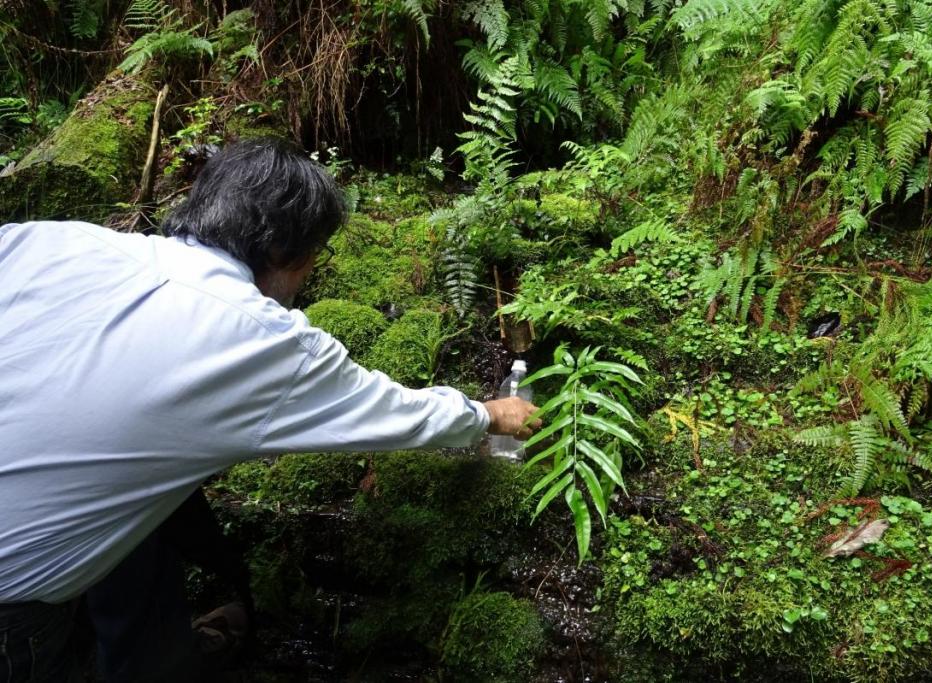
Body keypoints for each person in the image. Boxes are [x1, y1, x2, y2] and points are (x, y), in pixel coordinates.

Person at [0, 137, 540, 681]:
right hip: (13, 610)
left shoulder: (50, 243)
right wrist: (490, 415)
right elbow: (396, 413)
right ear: (287, 253)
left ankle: (158, 655)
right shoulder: (259, 337)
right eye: (313, 256)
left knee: (149, 520)